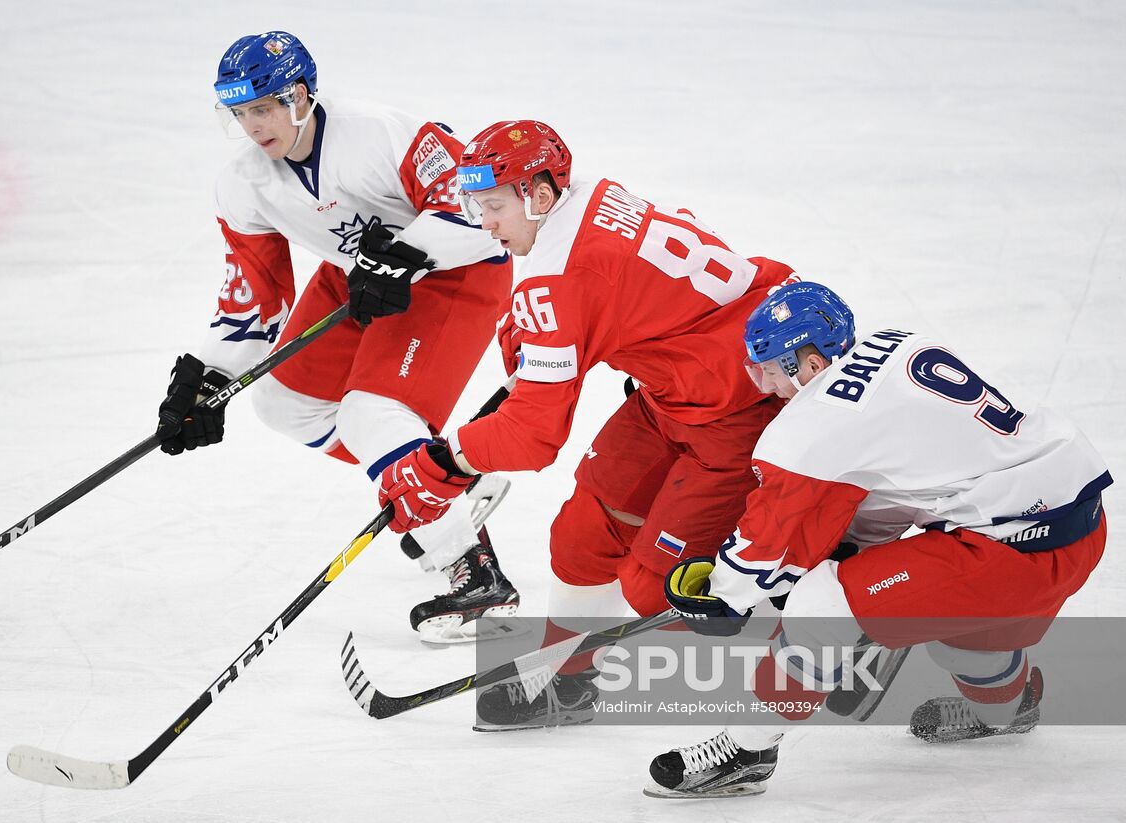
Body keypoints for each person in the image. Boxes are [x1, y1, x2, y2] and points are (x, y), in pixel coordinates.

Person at [373, 119, 801, 729]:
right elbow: (604, 312)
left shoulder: (561, 273)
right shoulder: (585, 196)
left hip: (745, 407)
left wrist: (442, 464)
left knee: (660, 587)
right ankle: (569, 682)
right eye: (474, 203)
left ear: (540, 195)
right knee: (580, 537)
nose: (483, 222)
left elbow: (534, 434)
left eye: (492, 205)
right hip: (674, 393)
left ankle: (801, 663)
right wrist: (524, 374)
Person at [646, 281, 1111, 797]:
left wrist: (724, 594)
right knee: (970, 650)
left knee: (821, 609)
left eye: (770, 369)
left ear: (811, 364)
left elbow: (765, 540)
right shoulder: (895, 342)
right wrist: (841, 557)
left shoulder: (812, 427)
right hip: (1075, 525)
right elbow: (900, 486)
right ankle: (1010, 707)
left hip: (1005, 553)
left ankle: (747, 750)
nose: (762, 384)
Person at [156, 31, 519, 642]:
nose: (253, 127)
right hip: (358, 276)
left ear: (299, 96)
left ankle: (473, 571)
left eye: (263, 108)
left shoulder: (381, 133)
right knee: (282, 402)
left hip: (454, 273)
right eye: (240, 113)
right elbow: (254, 306)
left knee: (371, 415)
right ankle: (440, 477)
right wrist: (209, 376)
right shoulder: (243, 184)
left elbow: (481, 214)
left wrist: (410, 252)